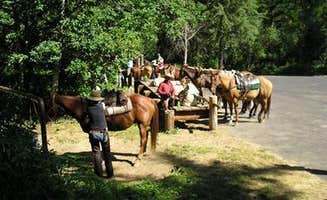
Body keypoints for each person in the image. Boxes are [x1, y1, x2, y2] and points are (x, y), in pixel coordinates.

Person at [85, 89, 113, 178]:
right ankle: (110, 174)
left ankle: (99, 174)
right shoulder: (102, 106)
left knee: (96, 153)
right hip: (104, 132)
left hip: (93, 133)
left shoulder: (88, 108)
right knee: (107, 153)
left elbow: (86, 119)